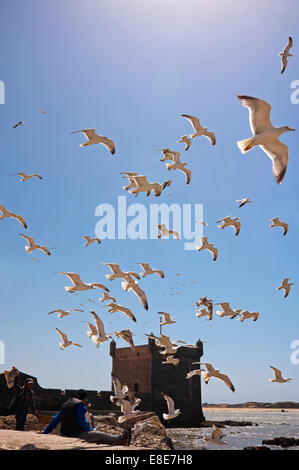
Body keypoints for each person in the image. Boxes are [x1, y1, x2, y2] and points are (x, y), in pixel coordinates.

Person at [43, 389, 131, 446]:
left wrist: (45, 432)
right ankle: (120, 438)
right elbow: (82, 422)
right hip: (77, 434)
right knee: (98, 434)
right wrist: (90, 430)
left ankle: (117, 442)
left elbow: (55, 419)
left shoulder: (65, 405)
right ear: (84, 398)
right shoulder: (80, 405)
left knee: (97, 438)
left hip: (65, 433)